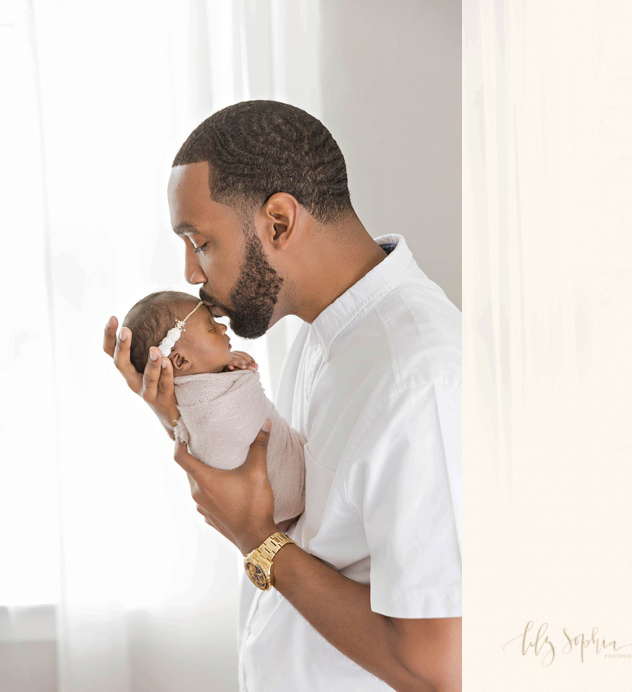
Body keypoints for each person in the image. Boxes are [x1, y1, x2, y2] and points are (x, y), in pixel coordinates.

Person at [102, 100, 460, 690]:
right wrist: (183, 409)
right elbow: (297, 517)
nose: (191, 273)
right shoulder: (326, 337)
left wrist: (256, 542)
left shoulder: (419, 380)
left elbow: (437, 667)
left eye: (199, 241)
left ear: (278, 223)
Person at [120, 290, 303, 524]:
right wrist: (237, 373)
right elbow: (218, 433)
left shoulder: (207, 383)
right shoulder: (203, 407)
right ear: (181, 361)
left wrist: (228, 365)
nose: (223, 328)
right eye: (211, 328)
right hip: (277, 499)